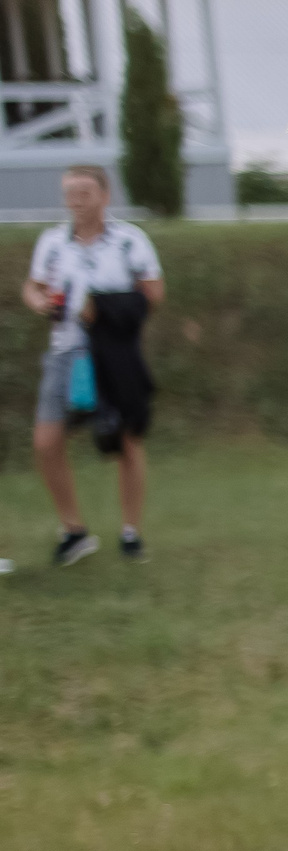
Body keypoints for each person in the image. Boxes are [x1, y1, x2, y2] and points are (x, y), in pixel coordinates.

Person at [19, 164, 163, 564]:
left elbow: (153, 293)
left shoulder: (130, 241)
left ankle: (131, 533)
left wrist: (101, 309)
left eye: (83, 193)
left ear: (104, 195)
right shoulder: (52, 242)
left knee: (127, 441)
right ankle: (73, 531)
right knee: (46, 442)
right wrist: (39, 301)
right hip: (65, 351)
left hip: (115, 356)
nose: (75, 201)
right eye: (69, 193)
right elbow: (34, 286)